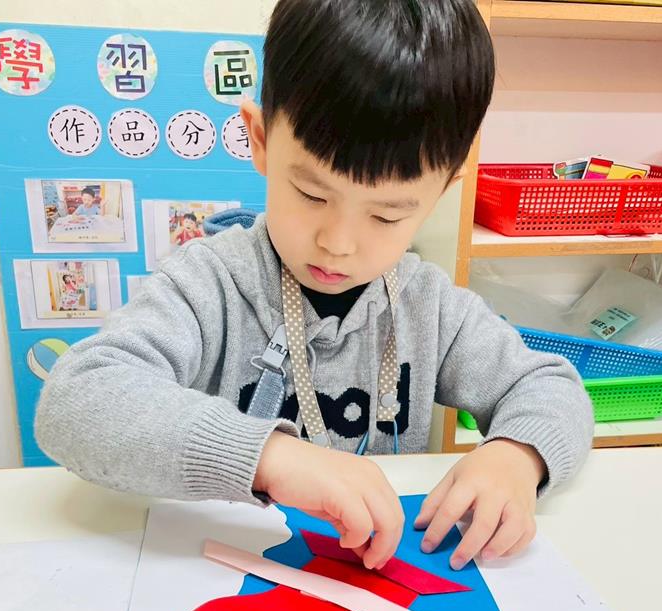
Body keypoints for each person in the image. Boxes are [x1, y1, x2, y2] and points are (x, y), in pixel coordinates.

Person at [36, 0, 593, 572]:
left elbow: (549, 385)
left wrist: (517, 457)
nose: (338, 243)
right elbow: (75, 401)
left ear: (442, 192)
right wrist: (267, 457)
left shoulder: (429, 307)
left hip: (370, 578)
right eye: (311, 194)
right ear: (259, 140)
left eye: (387, 215)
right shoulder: (207, 285)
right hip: (220, 572)